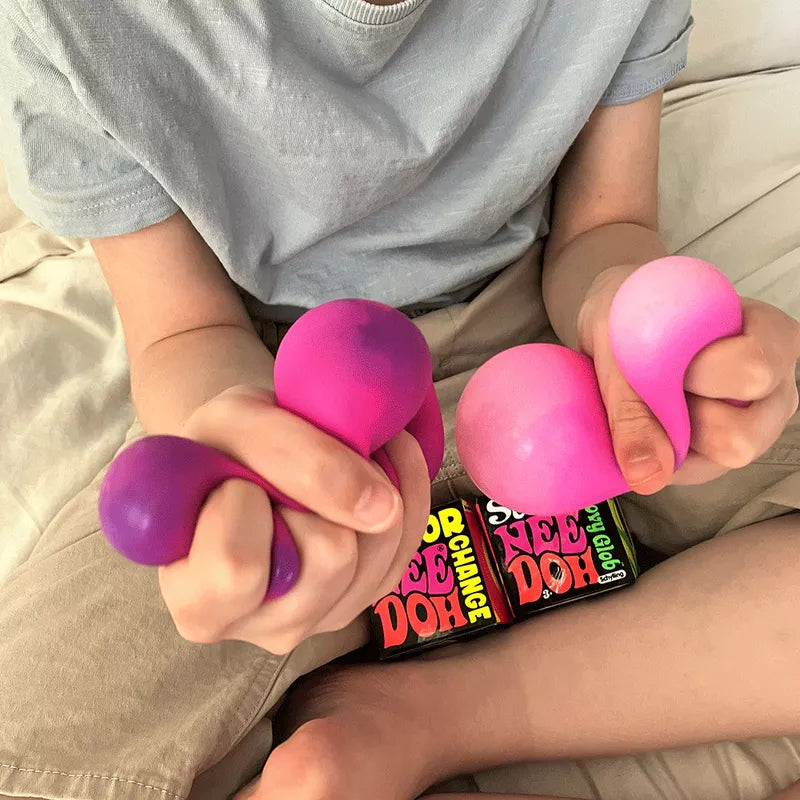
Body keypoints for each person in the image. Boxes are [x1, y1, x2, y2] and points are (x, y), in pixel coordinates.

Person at [0, 0, 798, 798]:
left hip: (541, 353)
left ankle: (415, 717)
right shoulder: (70, 22)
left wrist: (635, 320)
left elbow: (608, 225)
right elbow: (182, 333)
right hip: (273, 391)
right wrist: (255, 467)